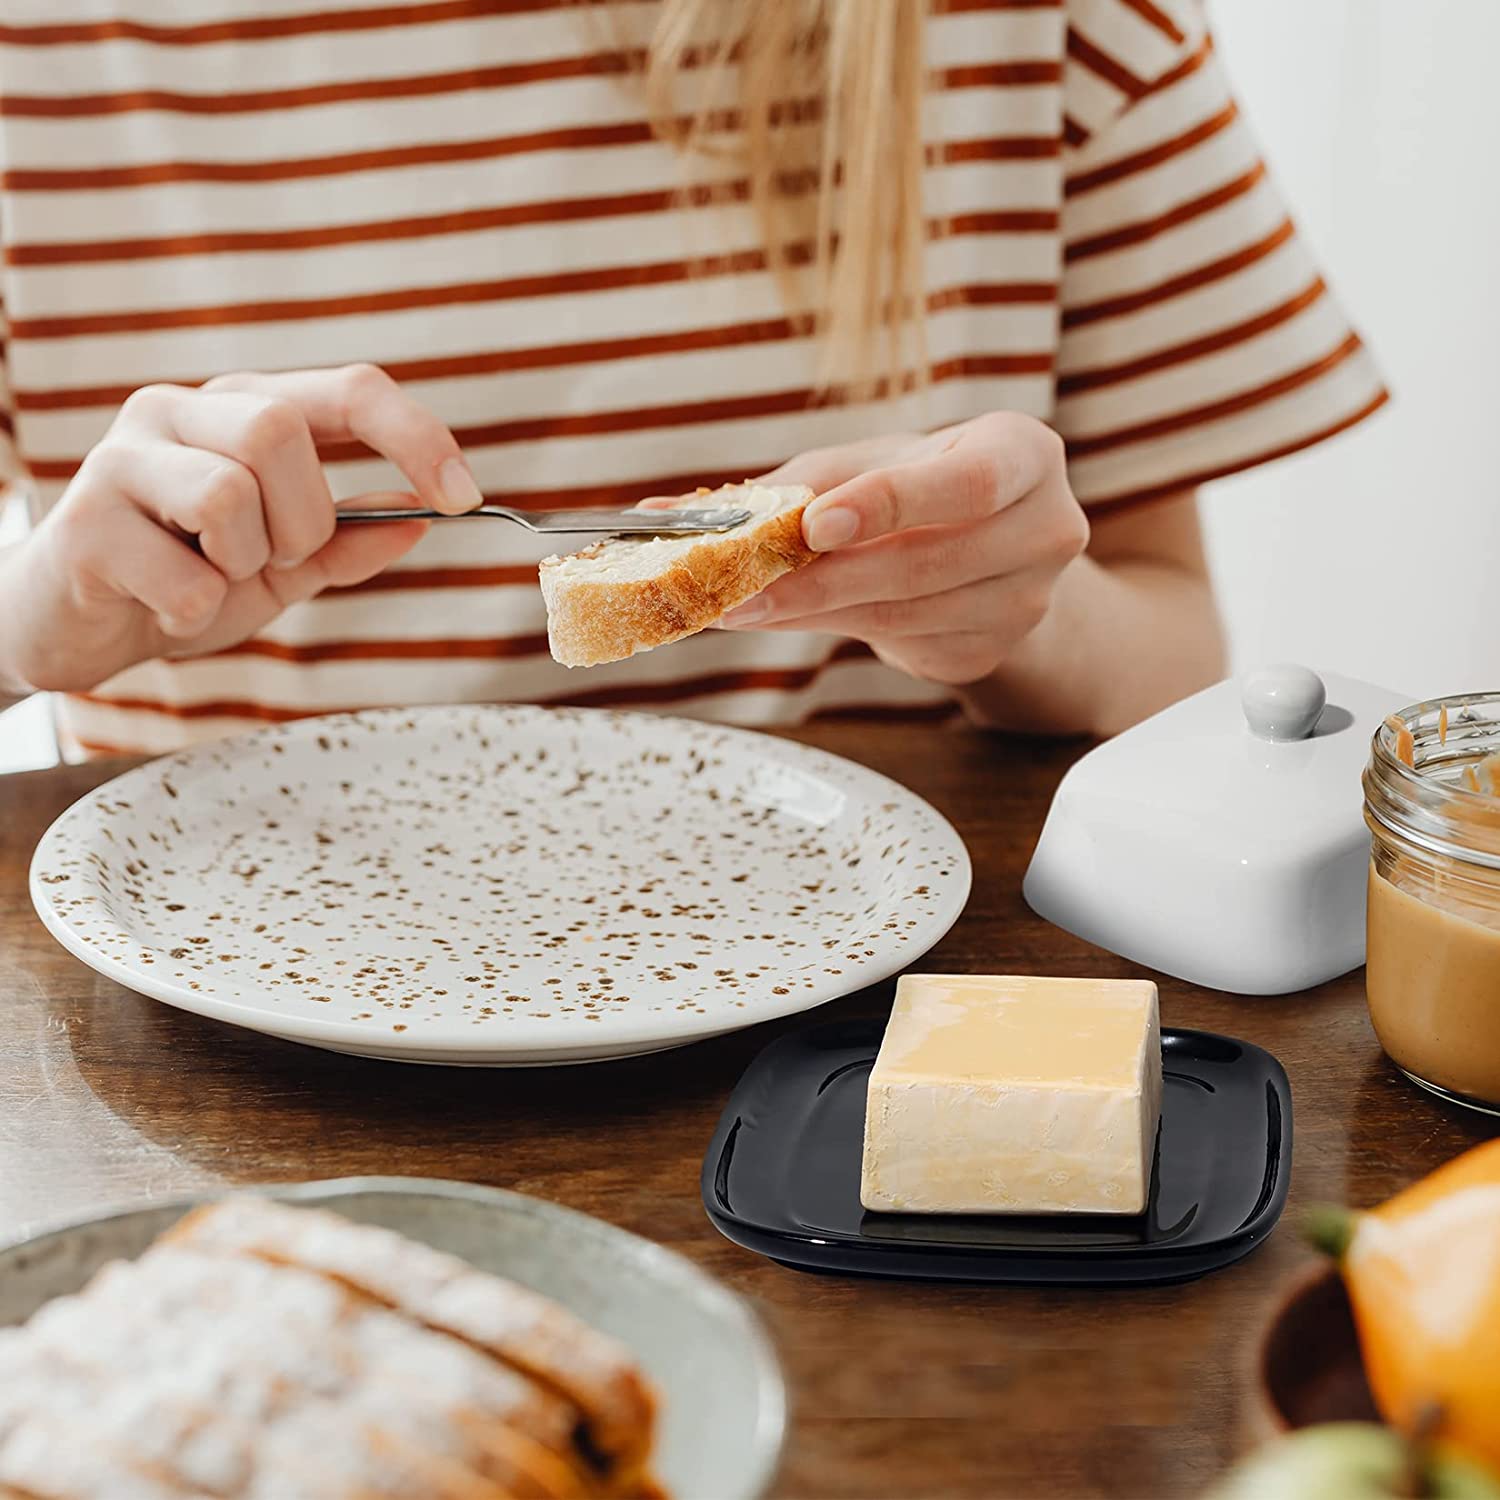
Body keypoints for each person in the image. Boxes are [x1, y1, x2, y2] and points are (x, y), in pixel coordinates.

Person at [0, 0, 1386, 759]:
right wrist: (34, 627)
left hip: (847, 1041)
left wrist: (1014, 617)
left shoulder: (1050, 27)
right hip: (209, 1033)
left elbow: (1181, 667)